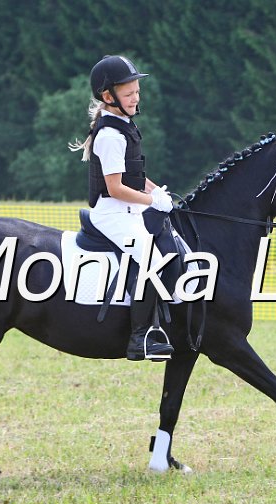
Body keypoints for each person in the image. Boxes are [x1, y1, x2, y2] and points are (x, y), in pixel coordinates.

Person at [70, 55, 174, 361]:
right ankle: (140, 337)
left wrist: (157, 191)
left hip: (128, 210)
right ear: (108, 97)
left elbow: (134, 178)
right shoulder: (110, 136)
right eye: (129, 94)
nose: (135, 98)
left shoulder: (124, 127)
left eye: (137, 92)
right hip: (113, 214)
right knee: (152, 260)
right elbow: (115, 188)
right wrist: (152, 201)